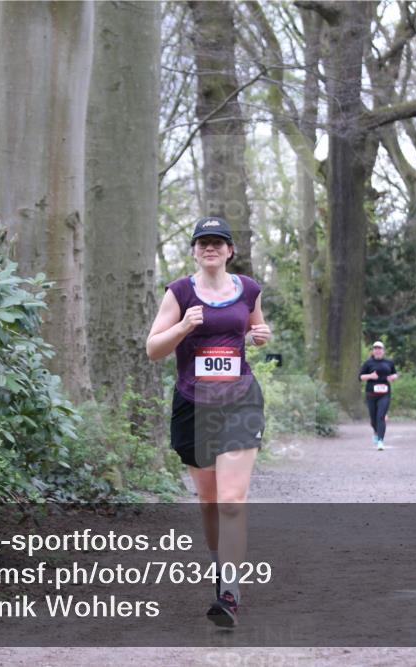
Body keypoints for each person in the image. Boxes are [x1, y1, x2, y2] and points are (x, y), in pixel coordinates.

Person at [146, 216, 271, 628]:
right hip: (193, 404)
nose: (211, 248)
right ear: (194, 251)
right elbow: (153, 349)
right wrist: (184, 326)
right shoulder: (179, 292)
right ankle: (222, 569)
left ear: (230, 250)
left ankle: (229, 592)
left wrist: (260, 335)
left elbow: (255, 327)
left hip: (240, 400)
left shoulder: (248, 289)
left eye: (218, 242)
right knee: (211, 502)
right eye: (203, 242)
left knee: (232, 500)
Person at [358, 341, 398, 451]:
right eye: (375, 349)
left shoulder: (389, 362)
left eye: (379, 349)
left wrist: (393, 377)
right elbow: (360, 377)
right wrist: (370, 376)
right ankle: (376, 432)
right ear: (373, 351)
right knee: (373, 419)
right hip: (371, 394)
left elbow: (394, 374)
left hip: (385, 394)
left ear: (383, 351)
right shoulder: (368, 363)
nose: (377, 351)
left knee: (381, 416)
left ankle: (380, 441)